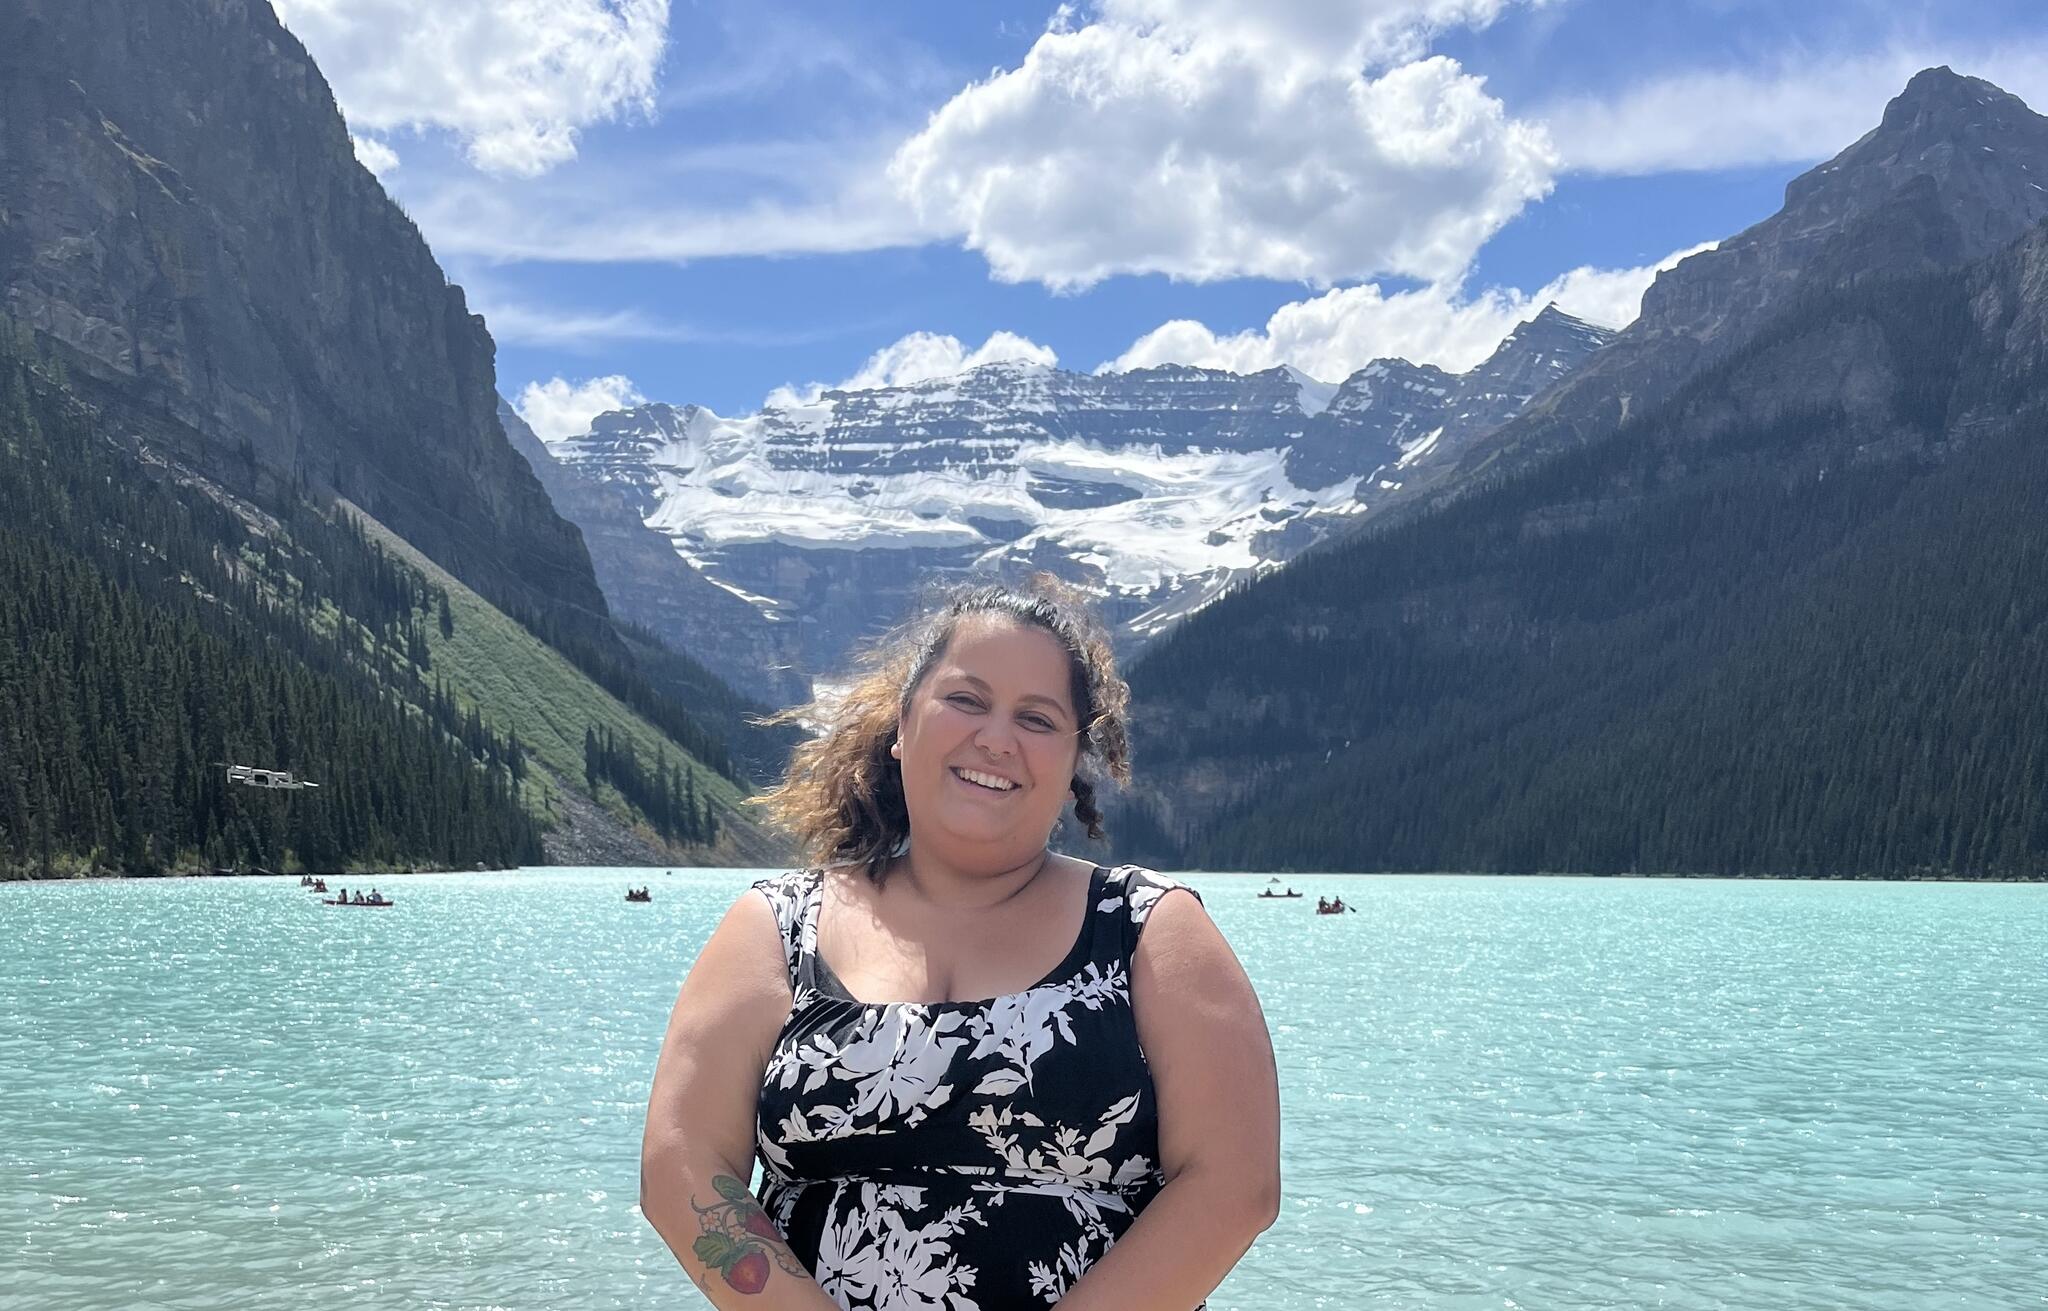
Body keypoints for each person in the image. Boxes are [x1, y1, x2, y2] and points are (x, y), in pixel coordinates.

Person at [641, 576, 1281, 1308]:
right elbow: (682, 1162)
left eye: (1037, 719)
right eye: (967, 700)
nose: (997, 738)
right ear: (902, 723)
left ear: (1075, 759)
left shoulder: (1148, 929)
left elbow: (1235, 1184)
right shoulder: (778, 924)